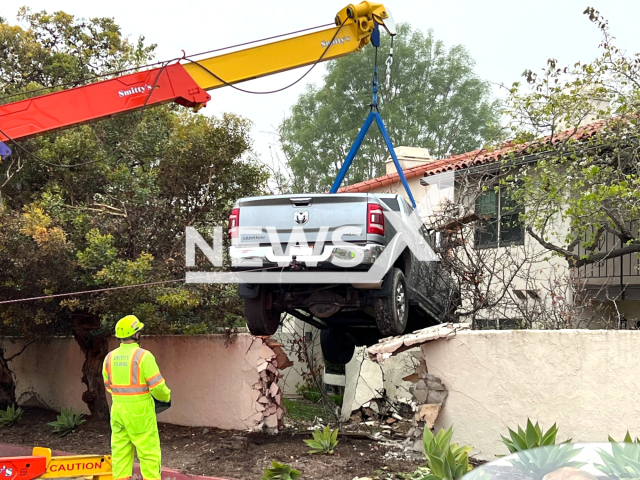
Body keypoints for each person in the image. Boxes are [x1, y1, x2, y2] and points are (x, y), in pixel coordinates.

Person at [102, 315, 171, 480]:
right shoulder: (143, 356)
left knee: (120, 454)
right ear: (135, 334)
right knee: (149, 454)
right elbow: (158, 387)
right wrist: (166, 396)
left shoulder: (109, 357)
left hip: (118, 410)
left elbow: (108, 385)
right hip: (140, 412)